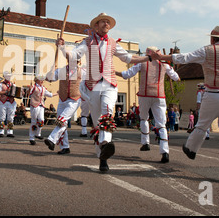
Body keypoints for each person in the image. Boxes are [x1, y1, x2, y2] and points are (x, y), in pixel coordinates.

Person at [153, 25, 219, 183]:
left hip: (213, 94)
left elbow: (184, 58)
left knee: (202, 125)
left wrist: (162, 57)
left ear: (212, 38)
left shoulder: (207, 50)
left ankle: (191, 149)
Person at [56, 13, 152, 171]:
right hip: (93, 86)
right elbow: (73, 56)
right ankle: (102, 157)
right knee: (97, 122)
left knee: (107, 113)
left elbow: (128, 58)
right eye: (103, 22)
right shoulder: (87, 42)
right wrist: (61, 47)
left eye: (108, 22)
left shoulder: (113, 43)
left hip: (110, 83)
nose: (106, 24)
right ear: (96, 26)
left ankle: (106, 143)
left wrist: (148, 58)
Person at [116, 46, 180, 163]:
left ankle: (145, 143)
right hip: (159, 96)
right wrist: (171, 73)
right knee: (161, 124)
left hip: (145, 95)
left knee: (144, 118)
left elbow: (127, 74)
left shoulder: (142, 63)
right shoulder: (164, 65)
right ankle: (164, 152)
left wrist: (114, 72)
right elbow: (177, 78)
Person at [44, 61, 81, 154]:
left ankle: (52, 139)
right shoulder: (61, 70)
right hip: (62, 99)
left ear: (79, 61)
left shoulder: (83, 71)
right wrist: (52, 69)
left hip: (74, 100)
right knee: (62, 124)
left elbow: (89, 85)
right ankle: (65, 147)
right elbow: (49, 78)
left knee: (62, 120)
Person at [28, 75, 56, 145]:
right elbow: (28, 93)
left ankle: (38, 134)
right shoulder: (34, 87)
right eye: (41, 80)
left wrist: (57, 93)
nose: (42, 81)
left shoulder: (43, 88)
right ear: (36, 80)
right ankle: (32, 138)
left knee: (41, 120)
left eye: (42, 80)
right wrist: (29, 89)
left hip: (41, 105)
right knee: (34, 121)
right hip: (34, 105)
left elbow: (49, 94)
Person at [0, 71, 17, 137]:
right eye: (7, 76)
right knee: (2, 117)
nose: (9, 77)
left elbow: (16, 93)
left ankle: (10, 132)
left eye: (10, 76)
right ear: (4, 77)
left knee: (11, 118)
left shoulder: (13, 85)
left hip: (11, 102)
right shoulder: (1, 84)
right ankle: (1, 132)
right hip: (3, 102)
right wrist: (5, 91)